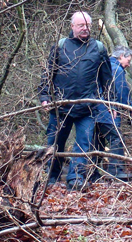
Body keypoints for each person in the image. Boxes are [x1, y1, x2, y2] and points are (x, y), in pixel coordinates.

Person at [38, 11, 112, 190]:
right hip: (60, 107)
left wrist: (112, 102)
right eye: (81, 26)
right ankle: (50, 177)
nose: (85, 29)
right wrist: (45, 96)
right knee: (54, 144)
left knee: (84, 144)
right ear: (72, 26)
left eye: (87, 25)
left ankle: (75, 179)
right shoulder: (60, 46)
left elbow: (107, 79)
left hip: (87, 109)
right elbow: (48, 74)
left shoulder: (99, 48)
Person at [91, 46, 132, 182]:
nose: (128, 64)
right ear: (121, 56)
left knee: (96, 141)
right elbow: (121, 92)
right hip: (108, 111)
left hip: (92, 110)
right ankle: (116, 171)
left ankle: (92, 172)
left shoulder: (101, 66)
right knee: (115, 138)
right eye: (128, 60)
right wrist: (130, 109)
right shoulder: (116, 70)